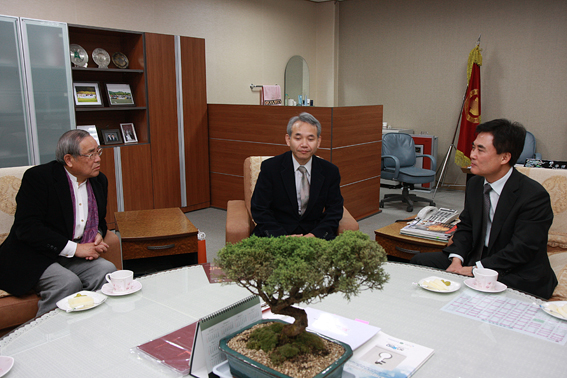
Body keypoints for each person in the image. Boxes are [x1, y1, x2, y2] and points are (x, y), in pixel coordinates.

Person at [411, 119, 557, 299]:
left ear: (505, 157)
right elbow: (467, 227)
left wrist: (474, 270)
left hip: (516, 269)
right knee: (419, 262)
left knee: (484, 293)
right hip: (477, 257)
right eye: (473, 148)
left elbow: (521, 250)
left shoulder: (533, 195)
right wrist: (457, 259)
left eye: (480, 150)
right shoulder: (475, 184)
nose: (472, 155)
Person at [0, 129, 117, 315]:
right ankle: (46, 337)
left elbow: (100, 219)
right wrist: (76, 249)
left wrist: (98, 233)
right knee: (67, 283)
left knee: (107, 271)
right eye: (90, 154)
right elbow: (27, 228)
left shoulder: (99, 180)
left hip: (70, 254)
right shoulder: (39, 178)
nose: (98, 159)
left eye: (98, 151)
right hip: (33, 254)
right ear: (69, 160)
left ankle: (95, 327)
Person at [251, 112, 344, 240]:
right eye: (298, 138)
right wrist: (283, 237)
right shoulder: (270, 167)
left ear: (319, 141)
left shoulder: (330, 171)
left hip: (314, 235)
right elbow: (259, 209)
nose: (304, 144)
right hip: (277, 235)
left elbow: (334, 210)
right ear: (288, 140)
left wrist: (314, 235)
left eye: (311, 139)